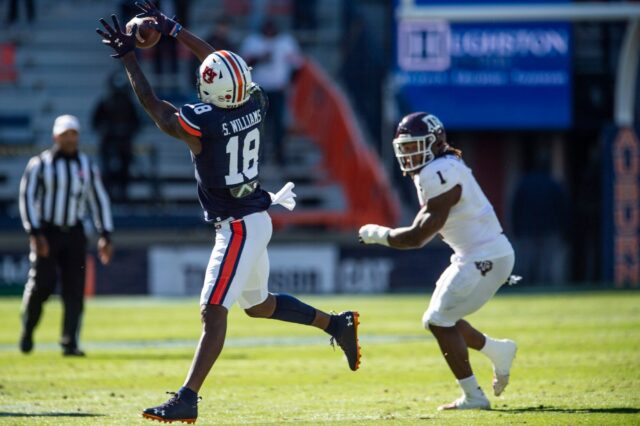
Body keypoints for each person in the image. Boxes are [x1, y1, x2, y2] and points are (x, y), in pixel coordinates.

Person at [96, 3, 360, 423]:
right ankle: (336, 325)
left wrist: (129, 54)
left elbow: (155, 106)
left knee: (213, 309)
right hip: (254, 216)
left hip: (238, 226)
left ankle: (187, 398)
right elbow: (219, 64)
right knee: (258, 305)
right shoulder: (255, 102)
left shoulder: (208, 123)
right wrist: (173, 29)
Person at [358, 112, 518, 411]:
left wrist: (378, 234)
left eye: (413, 146)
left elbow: (418, 236)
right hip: (479, 255)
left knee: (438, 320)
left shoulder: (438, 172)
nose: (407, 154)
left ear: (435, 142)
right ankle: (498, 351)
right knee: (440, 318)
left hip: (483, 258)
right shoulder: (439, 168)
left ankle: (474, 396)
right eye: (403, 147)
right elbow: (421, 224)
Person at [18, 114, 114, 357]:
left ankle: (69, 342)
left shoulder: (87, 166)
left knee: (74, 289)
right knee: (42, 286)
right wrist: (35, 232)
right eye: (65, 134)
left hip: (74, 233)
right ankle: (28, 329)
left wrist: (106, 233)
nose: (70, 139)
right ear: (55, 137)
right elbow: (26, 197)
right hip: (47, 232)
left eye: (74, 134)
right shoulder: (39, 164)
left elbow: (98, 200)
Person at [240, 19, 303, 166]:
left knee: (279, 125)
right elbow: (243, 66)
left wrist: (289, 83)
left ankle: (280, 156)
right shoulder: (253, 42)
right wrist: (258, 59)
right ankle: (258, 157)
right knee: (258, 125)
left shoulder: (285, 42)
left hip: (278, 89)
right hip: (257, 91)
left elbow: (298, 65)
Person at [92, 71, 141, 202]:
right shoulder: (105, 102)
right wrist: (107, 130)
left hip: (125, 142)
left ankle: (123, 195)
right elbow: (95, 122)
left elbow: (137, 123)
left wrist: (126, 130)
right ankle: (107, 195)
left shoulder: (129, 104)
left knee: (125, 170)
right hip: (108, 142)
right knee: (107, 170)